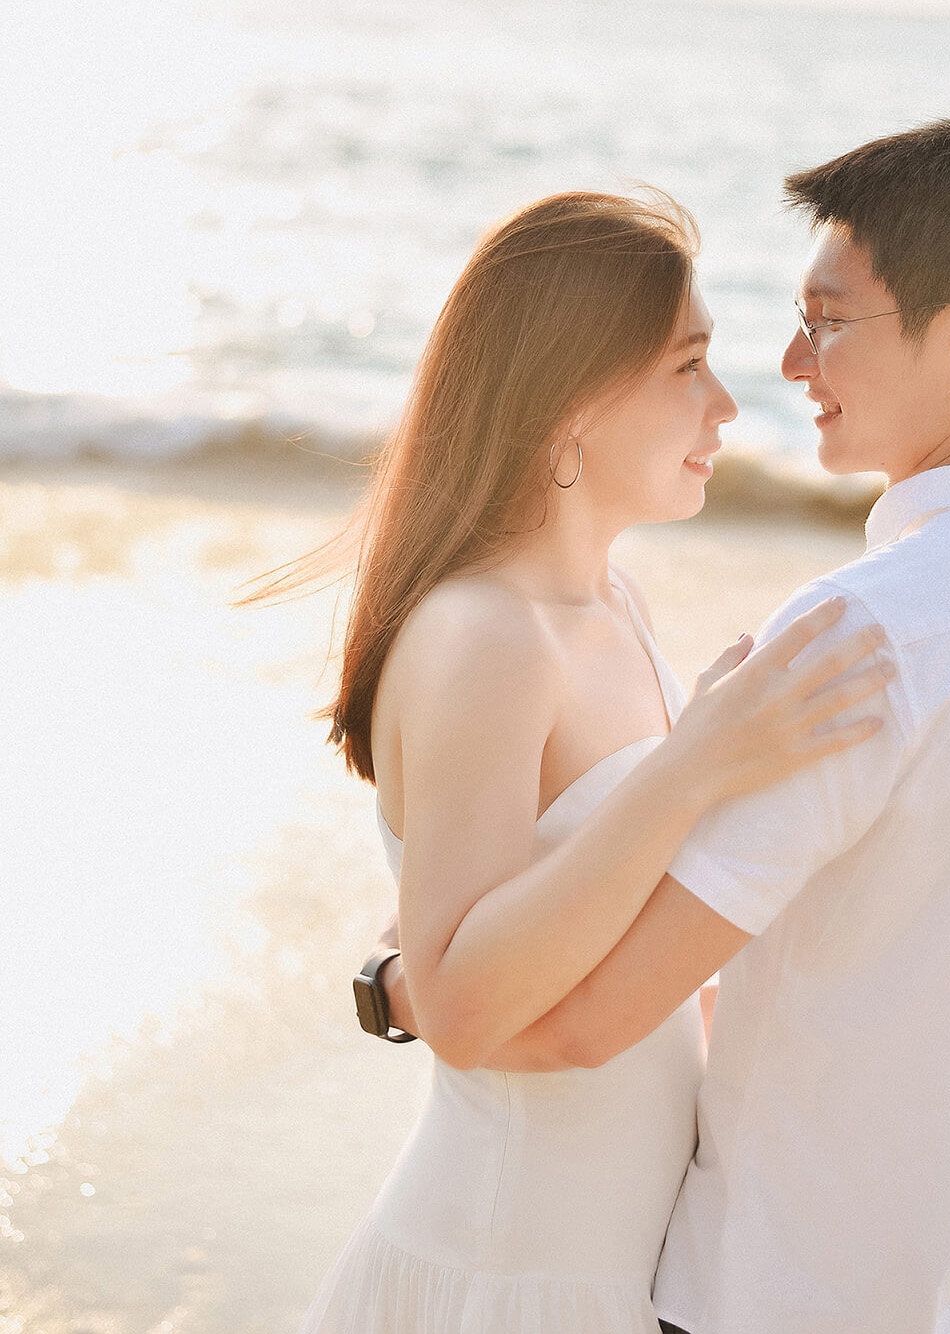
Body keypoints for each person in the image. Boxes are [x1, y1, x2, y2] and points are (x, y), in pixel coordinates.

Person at [371, 113, 950, 1333]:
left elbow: (585, 1018)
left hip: (765, 1287)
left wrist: (395, 985)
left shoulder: (858, 639)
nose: (786, 365)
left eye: (827, 320)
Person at [292, 190, 893, 1334]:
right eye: (687, 364)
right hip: (500, 1278)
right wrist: (699, 760)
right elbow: (462, 1003)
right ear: (570, 399)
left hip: (612, 1279)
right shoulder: (485, 637)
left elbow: (616, 937)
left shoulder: (610, 602)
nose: (725, 403)